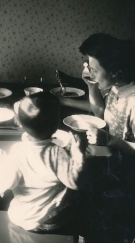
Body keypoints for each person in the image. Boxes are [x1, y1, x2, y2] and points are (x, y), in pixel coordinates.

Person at [60, 33, 135, 242]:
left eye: (94, 69)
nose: (88, 71)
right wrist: (91, 84)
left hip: (126, 182)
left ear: (115, 71)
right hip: (111, 167)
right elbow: (101, 112)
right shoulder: (117, 87)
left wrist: (111, 140)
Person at [0, 92, 87, 237]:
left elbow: (7, 182)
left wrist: (1, 162)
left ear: (19, 124)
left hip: (22, 217)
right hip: (53, 220)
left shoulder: (17, 151)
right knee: (81, 204)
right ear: (56, 125)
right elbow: (75, 182)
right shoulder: (58, 153)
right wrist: (78, 152)